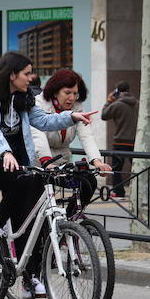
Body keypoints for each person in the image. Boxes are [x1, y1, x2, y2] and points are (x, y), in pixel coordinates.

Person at [0, 52, 96, 299]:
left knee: (28, 215)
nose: (31, 77)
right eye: (27, 73)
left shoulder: (24, 97)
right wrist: (4, 152)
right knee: (17, 184)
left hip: (18, 159)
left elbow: (43, 121)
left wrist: (71, 117)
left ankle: (30, 277)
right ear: (12, 74)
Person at [31, 68, 112, 214]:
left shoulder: (77, 107)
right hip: (39, 164)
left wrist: (97, 161)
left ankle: (69, 223)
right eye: (67, 93)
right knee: (38, 209)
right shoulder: (38, 104)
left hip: (61, 164)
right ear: (55, 91)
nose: (72, 98)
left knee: (88, 182)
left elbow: (86, 135)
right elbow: (38, 136)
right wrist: (47, 162)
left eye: (75, 93)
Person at [101, 81, 138, 199]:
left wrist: (109, 101)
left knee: (117, 169)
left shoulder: (117, 104)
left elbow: (104, 115)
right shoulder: (137, 103)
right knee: (139, 167)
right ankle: (141, 190)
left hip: (120, 141)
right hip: (135, 141)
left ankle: (119, 192)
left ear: (117, 91)